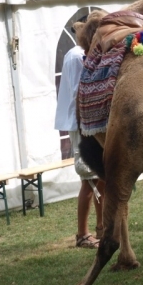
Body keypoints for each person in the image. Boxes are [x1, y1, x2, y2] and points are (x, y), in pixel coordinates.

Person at [54, 44, 104, 248]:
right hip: (81, 123)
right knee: (89, 179)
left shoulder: (88, 54)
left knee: (101, 177)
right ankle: (82, 234)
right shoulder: (76, 56)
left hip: (91, 123)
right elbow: (78, 92)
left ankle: (102, 227)